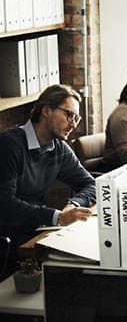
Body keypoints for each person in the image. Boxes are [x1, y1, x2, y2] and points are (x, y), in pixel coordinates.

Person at [0, 84, 94, 277]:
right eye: (69, 115)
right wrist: (58, 217)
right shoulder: (10, 144)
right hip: (8, 239)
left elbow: (90, 184)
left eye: (77, 118)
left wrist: (73, 204)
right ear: (46, 110)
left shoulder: (59, 147)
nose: (74, 124)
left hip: (34, 232)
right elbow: (5, 204)